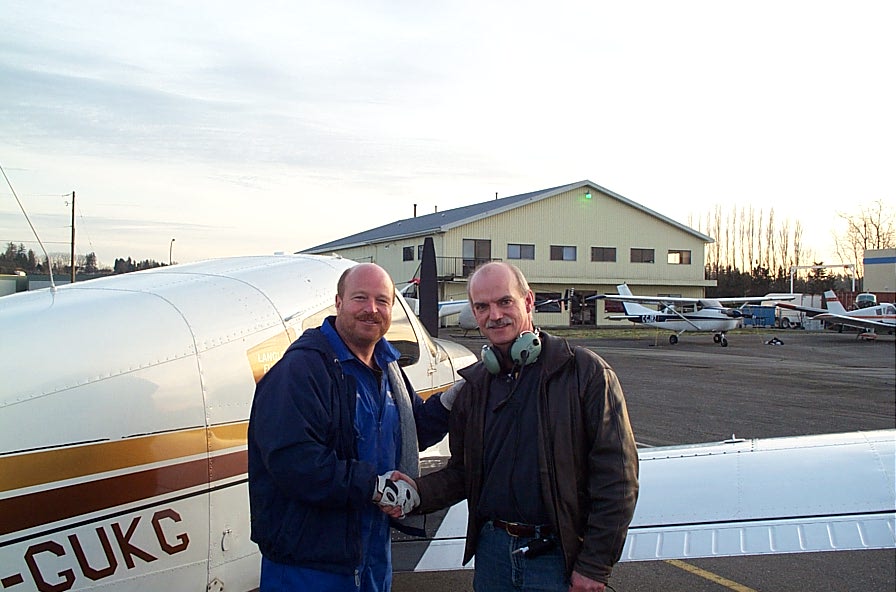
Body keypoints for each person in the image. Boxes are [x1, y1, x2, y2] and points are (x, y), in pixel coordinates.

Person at [402, 261, 639, 592]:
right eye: (481, 307)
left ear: (528, 302)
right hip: (493, 555)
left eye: (504, 302)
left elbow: (618, 480)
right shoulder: (475, 387)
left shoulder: (585, 373)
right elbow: (463, 473)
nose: (494, 315)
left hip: (555, 556)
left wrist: (595, 566)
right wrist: (416, 492)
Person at [248, 262, 453, 592]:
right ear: (339, 302)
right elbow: (296, 464)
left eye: (382, 301)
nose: (371, 309)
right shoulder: (301, 369)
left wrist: (452, 400)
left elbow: (412, 430)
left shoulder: (387, 367)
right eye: (360, 298)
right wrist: (372, 486)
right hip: (310, 563)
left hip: (370, 555)